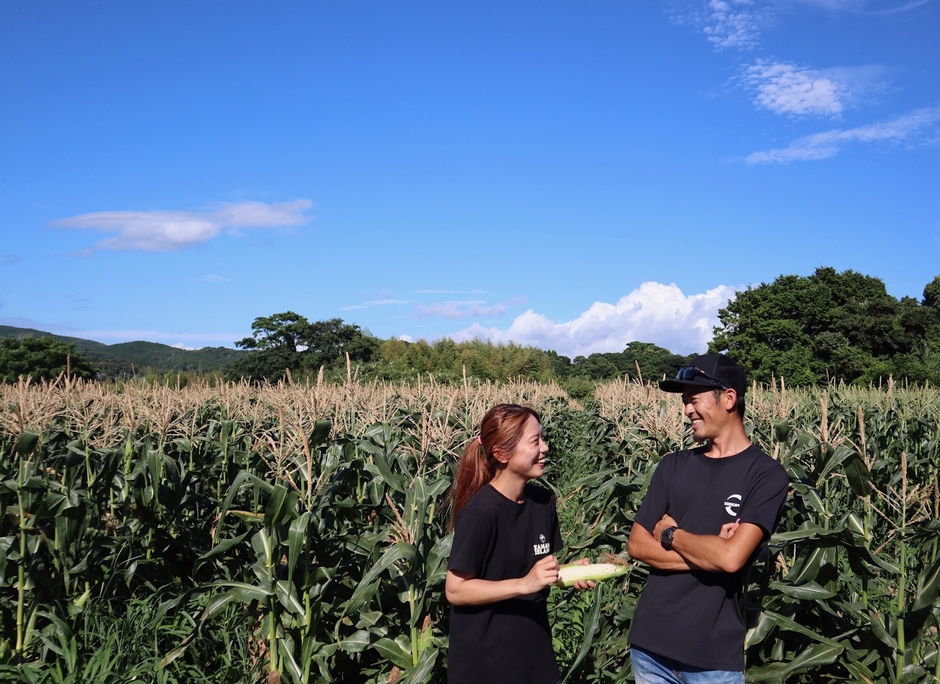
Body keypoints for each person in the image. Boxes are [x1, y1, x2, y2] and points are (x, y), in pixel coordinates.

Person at [626, 354, 790, 684]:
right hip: (649, 647)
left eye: (694, 400)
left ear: (729, 398)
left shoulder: (766, 475)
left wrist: (671, 533)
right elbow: (637, 545)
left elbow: (730, 560)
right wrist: (713, 552)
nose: (687, 410)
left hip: (712, 660)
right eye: (685, 402)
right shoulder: (672, 465)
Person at [445, 404, 591, 684]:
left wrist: (569, 572)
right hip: (486, 668)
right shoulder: (481, 512)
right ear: (500, 453)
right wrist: (524, 584)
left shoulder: (543, 502)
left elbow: (531, 570)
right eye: (535, 441)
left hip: (536, 661)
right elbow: (456, 589)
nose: (545, 447)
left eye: (543, 438)